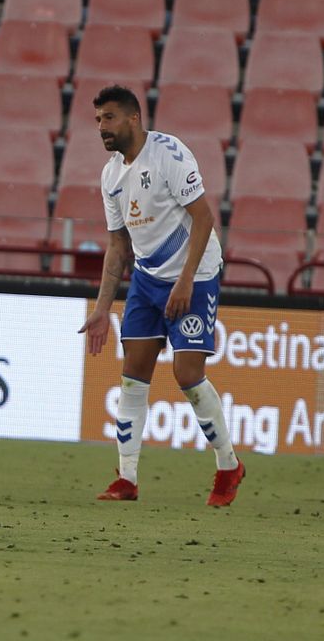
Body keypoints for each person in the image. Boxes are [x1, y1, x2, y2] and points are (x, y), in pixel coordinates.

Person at [78, 84, 245, 507]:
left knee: (187, 375)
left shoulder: (169, 154)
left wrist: (187, 281)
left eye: (109, 118)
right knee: (133, 378)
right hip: (148, 280)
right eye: (98, 120)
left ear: (134, 118)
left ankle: (228, 466)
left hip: (197, 273)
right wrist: (101, 309)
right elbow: (118, 247)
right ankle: (127, 479)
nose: (102, 127)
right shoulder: (111, 175)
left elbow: (204, 217)